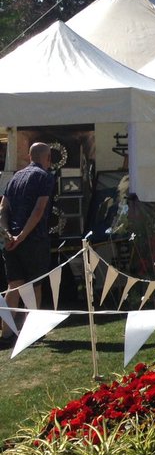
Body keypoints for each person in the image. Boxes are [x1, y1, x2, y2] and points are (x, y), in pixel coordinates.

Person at [1, 142, 55, 344]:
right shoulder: (45, 177)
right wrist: (22, 236)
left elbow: (2, 209)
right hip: (34, 240)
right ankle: (31, 331)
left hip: (10, 242)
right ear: (48, 158)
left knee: (13, 286)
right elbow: (39, 210)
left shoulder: (15, 177)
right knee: (34, 286)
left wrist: (8, 234)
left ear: (29, 156)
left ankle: (6, 333)